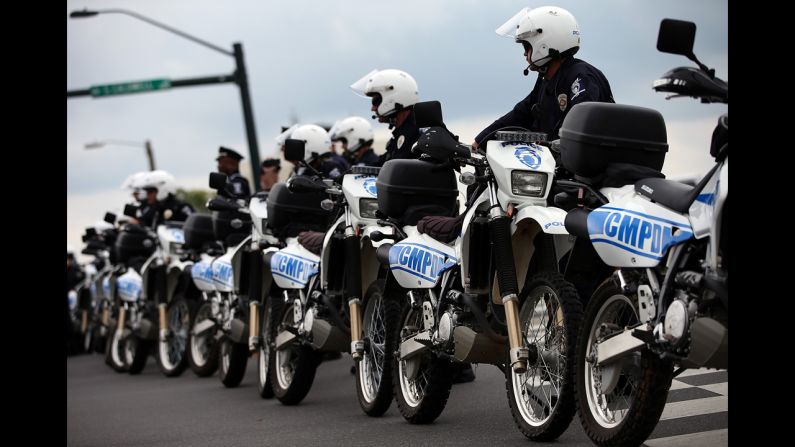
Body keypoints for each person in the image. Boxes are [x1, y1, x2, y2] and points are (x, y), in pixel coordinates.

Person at [473, 6, 614, 149]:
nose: (524, 54)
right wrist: (479, 141)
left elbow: (584, 124)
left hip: (588, 167)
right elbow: (519, 115)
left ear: (544, 44)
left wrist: (558, 144)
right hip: (558, 165)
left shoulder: (581, 77)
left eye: (526, 47)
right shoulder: (547, 81)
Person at [350, 69, 421, 167]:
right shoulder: (402, 132)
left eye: (376, 101)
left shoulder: (416, 133)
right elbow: (382, 165)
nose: (373, 108)